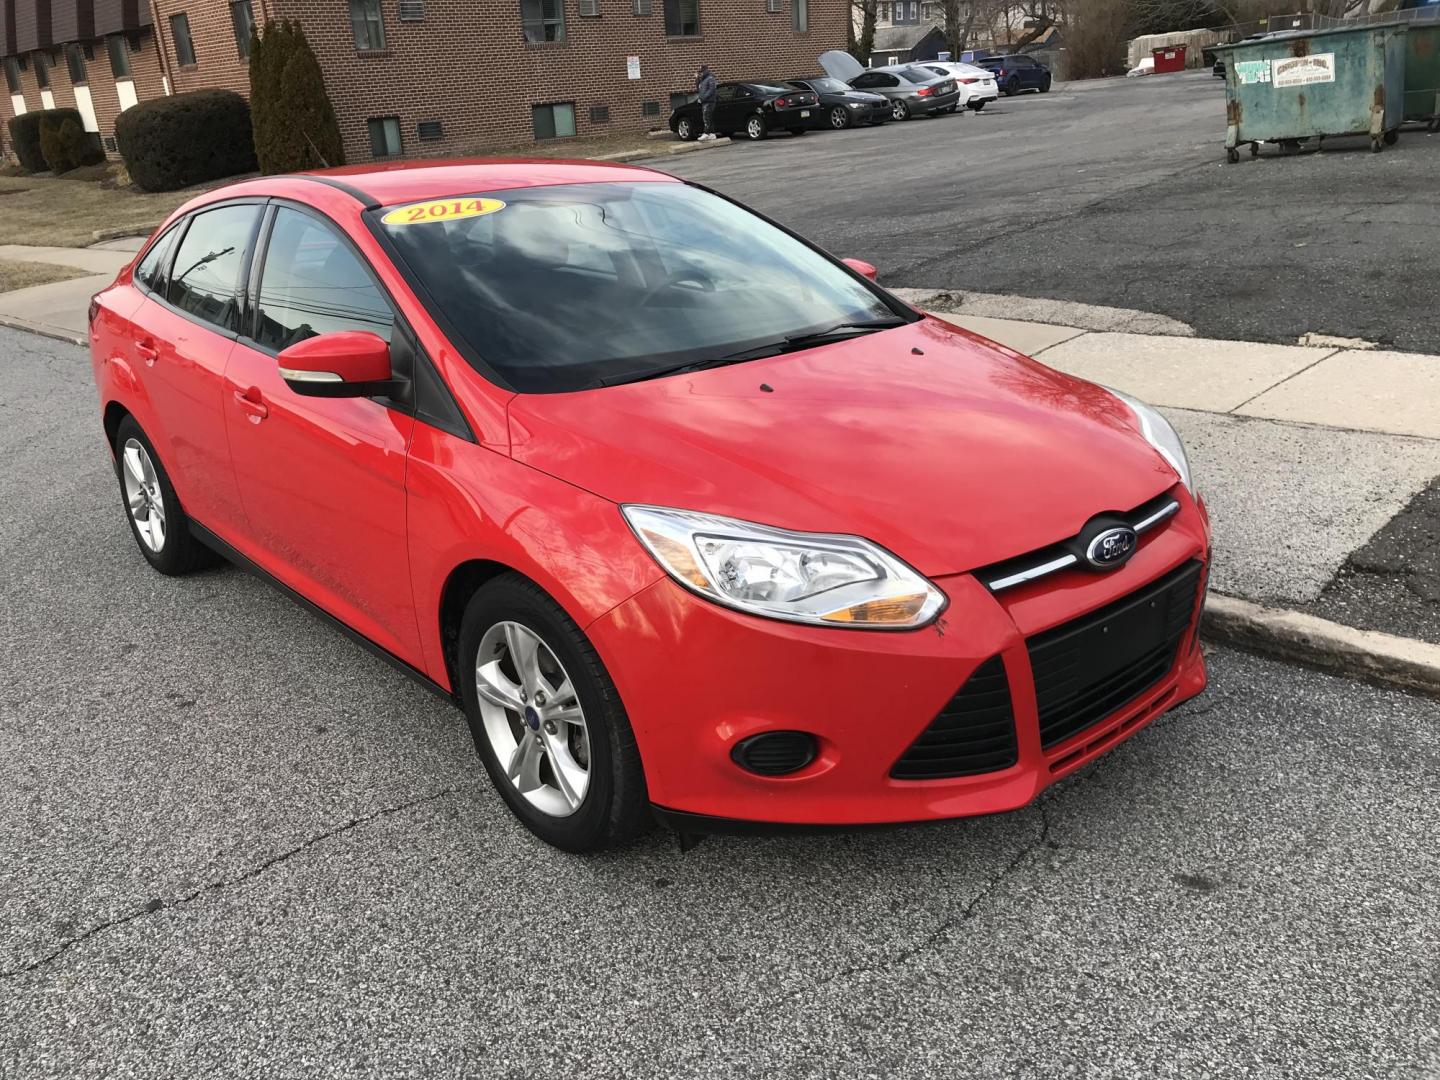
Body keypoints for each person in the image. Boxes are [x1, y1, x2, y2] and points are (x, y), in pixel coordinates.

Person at [696, 65, 718, 141]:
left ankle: (706, 133)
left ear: (705, 71)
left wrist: (703, 98)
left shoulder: (710, 78)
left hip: (709, 101)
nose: (700, 73)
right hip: (704, 101)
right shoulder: (703, 80)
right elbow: (698, 89)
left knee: (706, 117)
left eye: (701, 72)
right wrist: (697, 79)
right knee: (709, 118)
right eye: (699, 72)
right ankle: (712, 134)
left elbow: (711, 90)